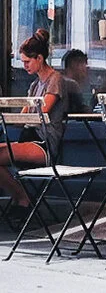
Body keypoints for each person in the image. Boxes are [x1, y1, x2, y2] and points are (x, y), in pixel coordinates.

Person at [0, 29, 68, 210]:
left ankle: (23, 199)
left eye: (28, 61)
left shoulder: (55, 80)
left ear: (39, 58)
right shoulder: (34, 85)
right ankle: (20, 196)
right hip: (29, 137)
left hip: (44, 143)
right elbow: (22, 118)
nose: (25, 66)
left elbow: (41, 112)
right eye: (23, 62)